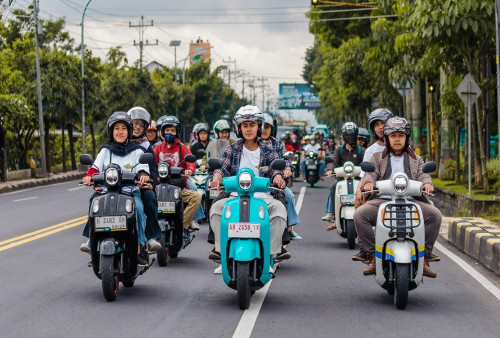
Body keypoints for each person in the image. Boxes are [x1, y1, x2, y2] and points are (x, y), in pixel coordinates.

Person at [353, 117, 441, 277]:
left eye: (401, 135)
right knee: (360, 214)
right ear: (387, 138)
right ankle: (372, 256)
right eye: (393, 136)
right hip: (382, 201)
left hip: (412, 201)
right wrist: (368, 183)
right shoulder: (377, 157)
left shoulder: (416, 159)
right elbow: (370, 174)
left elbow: (423, 174)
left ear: (407, 138)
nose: (397, 139)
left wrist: (427, 183)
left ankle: (425, 258)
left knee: (435, 215)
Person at [208, 105, 290, 261]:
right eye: (244, 125)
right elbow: (222, 168)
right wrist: (216, 179)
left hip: (264, 198)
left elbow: (275, 171)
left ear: (259, 127)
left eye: (252, 125)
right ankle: (220, 249)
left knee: (280, 209)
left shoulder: (268, 151)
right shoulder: (231, 150)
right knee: (216, 208)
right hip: (234, 196)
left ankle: (273, 251)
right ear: (239, 128)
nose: (248, 129)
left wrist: (278, 178)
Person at [80, 112, 152, 266]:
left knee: (138, 209)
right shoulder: (105, 151)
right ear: (111, 131)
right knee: (94, 203)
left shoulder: (137, 151)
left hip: (130, 192)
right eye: (116, 128)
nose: (120, 132)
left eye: (124, 128)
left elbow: (142, 168)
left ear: (129, 131)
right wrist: (88, 176)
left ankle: (140, 247)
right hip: (107, 192)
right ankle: (92, 242)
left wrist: (143, 175)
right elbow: (95, 168)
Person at [153, 115, 202, 234]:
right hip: (159, 187)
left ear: (177, 132)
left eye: (173, 130)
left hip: (178, 188)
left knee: (197, 197)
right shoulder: (157, 148)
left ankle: (183, 226)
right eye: (167, 130)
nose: (170, 133)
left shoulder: (183, 148)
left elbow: (191, 162)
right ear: (162, 132)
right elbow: (151, 164)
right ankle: (151, 230)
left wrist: (189, 169)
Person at [261, 113, 302, 240]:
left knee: (288, 195)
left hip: (275, 183)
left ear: (272, 129)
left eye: (267, 127)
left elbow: (285, 159)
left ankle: (289, 228)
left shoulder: (277, 143)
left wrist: (288, 168)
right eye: (262, 127)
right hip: (254, 183)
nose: (264, 130)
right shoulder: (251, 144)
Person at [127, 106, 162, 253]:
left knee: (149, 196)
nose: (137, 127)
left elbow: (153, 168)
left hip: (139, 186)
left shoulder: (146, 146)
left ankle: (151, 237)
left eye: (141, 125)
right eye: (135, 123)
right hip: (118, 185)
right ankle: (94, 240)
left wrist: (151, 183)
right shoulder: (119, 141)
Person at [323, 122, 364, 230]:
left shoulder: (361, 151)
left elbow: (365, 163)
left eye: (351, 135)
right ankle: (333, 215)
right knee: (333, 188)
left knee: (368, 193)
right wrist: (330, 170)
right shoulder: (339, 150)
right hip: (342, 180)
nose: (349, 137)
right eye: (347, 135)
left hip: (358, 181)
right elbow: (334, 162)